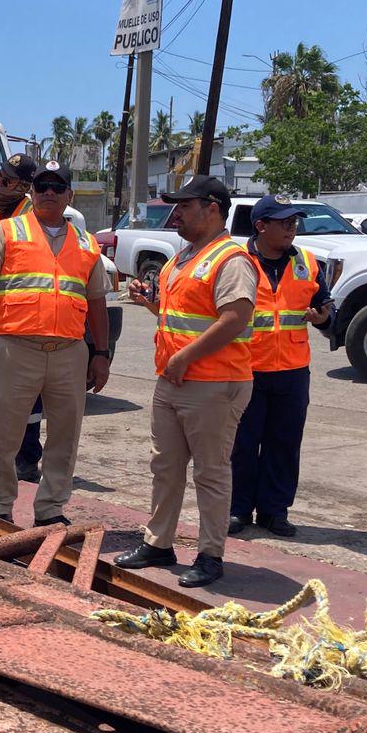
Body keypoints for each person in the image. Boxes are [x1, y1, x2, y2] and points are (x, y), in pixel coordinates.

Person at [113, 175, 257, 587]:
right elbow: (186, 319)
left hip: (213, 383)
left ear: (212, 208)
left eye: (184, 206)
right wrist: (151, 304)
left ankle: (211, 555)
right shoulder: (184, 257)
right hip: (175, 379)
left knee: (210, 473)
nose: (175, 214)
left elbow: (235, 319)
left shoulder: (231, 259)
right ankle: (159, 543)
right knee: (166, 467)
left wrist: (184, 357)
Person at [0, 160, 110, 527]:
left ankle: (50, 510)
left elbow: (96, 302)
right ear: (32, 192)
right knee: (3, 434)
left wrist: (102, 354)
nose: (48, 192)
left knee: (65, 436)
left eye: (57, 187)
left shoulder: (86, 242)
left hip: (69, 353)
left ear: (68, 196)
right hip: (16, 348)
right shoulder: (8, 231)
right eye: (42, 186)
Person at [228, 195, 334, 537]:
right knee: (242, 443)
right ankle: (238, 509)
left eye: (294, 222)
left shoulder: (307, 261)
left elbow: (325, 309)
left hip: (292, 370)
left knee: (284, 443)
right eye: (284, 222)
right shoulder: (237, 260)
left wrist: (322, 318)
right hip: (246, 368)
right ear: (261, 226)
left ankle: (274, 511)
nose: (292, 228)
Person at [0, 154, 45, 483]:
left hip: (25, 317)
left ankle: (27, 457)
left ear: (26, 187)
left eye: (7, 181)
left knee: (27, 394)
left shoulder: (36, 217)